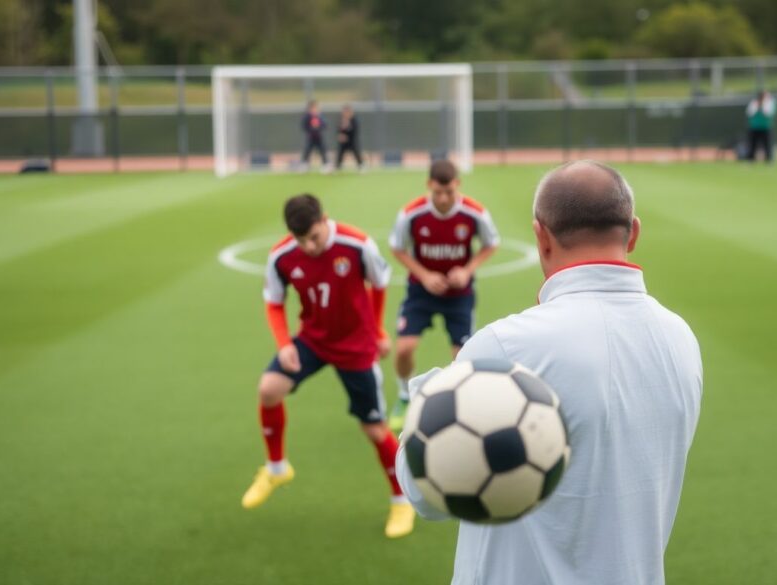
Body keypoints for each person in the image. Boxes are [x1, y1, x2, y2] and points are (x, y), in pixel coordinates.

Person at [396, 160, 703, 584]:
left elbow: (423, 493)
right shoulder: (681, 339)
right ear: (633, 233)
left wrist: (432, 395)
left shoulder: (504, 346)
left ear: (541, 238)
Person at [241, 193, 415, 539]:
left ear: (324, 219)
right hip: (313, 340)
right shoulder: (281, 256)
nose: (309, 246)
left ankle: (402, 499)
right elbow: (274, 303)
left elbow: (379, 284)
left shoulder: (357, 244)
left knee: (374, 430)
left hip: (355, 346)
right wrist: (284, 344)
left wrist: (377, 330)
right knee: (269, 389)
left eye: (314, 237)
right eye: (300, 240)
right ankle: (277, 467)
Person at [386, 160, 500, 433]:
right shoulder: (411, 214)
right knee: (404, 349)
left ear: (457, 184)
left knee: (462, 357)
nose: (444, 199)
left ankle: (457, 408)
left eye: (449, 192)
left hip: (459, 294)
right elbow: (397, 248)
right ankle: (404, 397)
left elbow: (491, 244)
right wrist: (424, 275)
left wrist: (467, 270)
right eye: (438, 192)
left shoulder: (475, 213)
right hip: (420, 292)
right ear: (429, 185)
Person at [745, 90, 777, 162]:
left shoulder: (769, 103)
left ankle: (769, 159)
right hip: (754, 127)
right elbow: (749, 113)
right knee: (752, 144)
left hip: (766, 127)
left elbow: (768, 113)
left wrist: (762, 105)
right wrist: (757, 106)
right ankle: (750, 159)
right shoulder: (754, 103)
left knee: (767, 144)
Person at [301, 100, 329, 171]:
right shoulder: (307, 117)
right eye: (313, 108)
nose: (314, 110)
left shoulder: (320, 116)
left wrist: (318, 127)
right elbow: (304, 126)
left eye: (316, 108)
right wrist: (312, 128)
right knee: (307, 151)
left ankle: (325, 165)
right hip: (311, 137)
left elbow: (324, 125)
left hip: (319, 137)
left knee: (323, 151)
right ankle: (304, 165)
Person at [336, 104, 364, 171]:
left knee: (356, 152)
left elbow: (354, 131)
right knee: (340, 152)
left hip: (351, 141)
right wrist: (340, 135)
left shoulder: (354, 120)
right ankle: (337, 166)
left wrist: (347, 134)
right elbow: (338, 130)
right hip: (344, 142)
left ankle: (361, 165)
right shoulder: (342, 120)